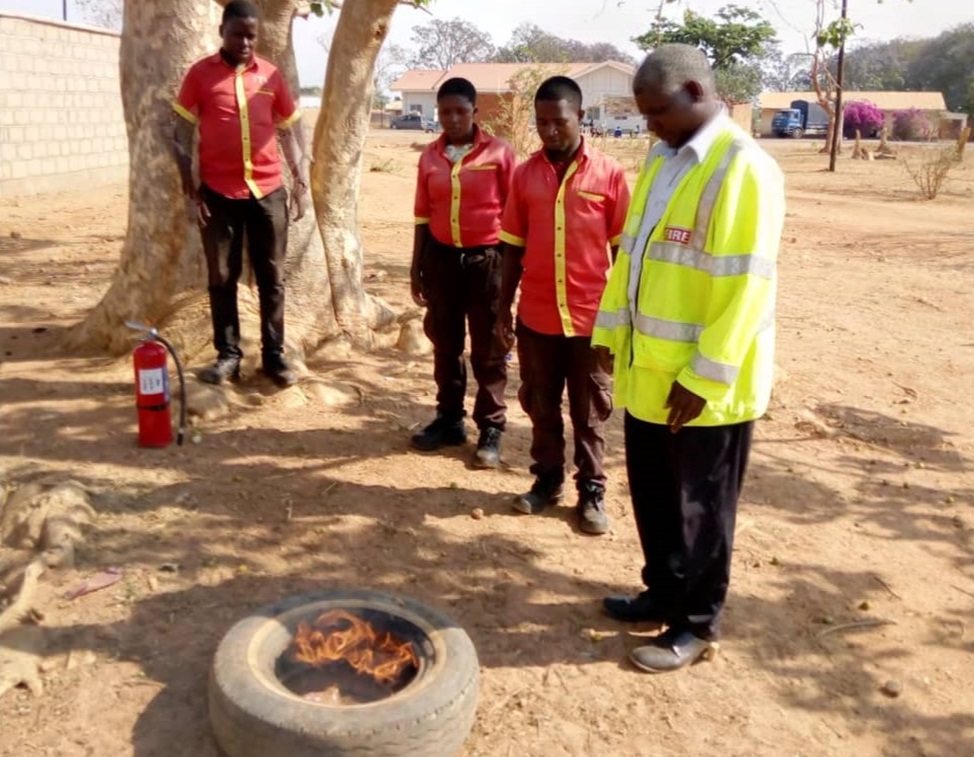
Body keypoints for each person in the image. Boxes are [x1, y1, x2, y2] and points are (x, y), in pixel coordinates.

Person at [592, 44, 785, 672]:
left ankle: (697, 624)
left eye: (658, 111)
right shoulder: (660, 158)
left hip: (704, 388)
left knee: (702, 507)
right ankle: (663, 593)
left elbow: (746, 286)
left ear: (699, 93)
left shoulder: (743, 168)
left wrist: (704, 376)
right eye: (644, 114)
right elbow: (634, 260)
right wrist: (607, 331)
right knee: (653, 496)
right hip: (648, 373)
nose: (650, 124)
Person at [495, 76, 630, 535]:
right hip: (537, 315)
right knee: (541, 405)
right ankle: (546, 481)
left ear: (581, 118)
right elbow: (511, 245)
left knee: (590, 412)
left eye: (559, 121)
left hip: (592, 320)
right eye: (541, 122)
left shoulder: (608, 174)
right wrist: (502, 309)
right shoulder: (524, 174)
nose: (549, 131)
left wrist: (623, 318)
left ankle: (591, 491)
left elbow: (622, 253)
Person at [171, 0, 310, 388]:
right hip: (217, 192)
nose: (246, 42)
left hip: (268, 192)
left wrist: (299, 180)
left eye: (252, 35)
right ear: (223, 33)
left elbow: (290, 129)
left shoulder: (270, 75)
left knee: (273, 276)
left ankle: (274, 356)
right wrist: (189, 186)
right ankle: (228, 356)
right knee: (221, 276)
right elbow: (179, 134)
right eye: (238, 34)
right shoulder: (200, 76)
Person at [409, 78, 515, 468]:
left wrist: (508, 271)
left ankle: (491, 426)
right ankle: (449, 419)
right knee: (445, 344)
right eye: (445, 112)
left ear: (475, 112)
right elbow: (422, 214)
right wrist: (416, 265)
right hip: (441, 261)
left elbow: (514, 213)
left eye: (460, 111)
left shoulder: (500, 154)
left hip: (486, 262)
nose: (452, 119)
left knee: (489, 348)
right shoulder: (430, 157)